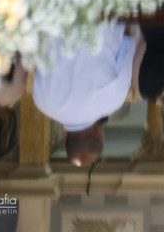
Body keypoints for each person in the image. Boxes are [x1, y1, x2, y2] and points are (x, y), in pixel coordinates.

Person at [30, 23, 137, 166]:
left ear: (99, 134)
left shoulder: (114, 101)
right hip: (56, 16)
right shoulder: (42, 102)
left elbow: (129, 40)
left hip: (104, 15)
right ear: (65, 140)